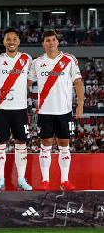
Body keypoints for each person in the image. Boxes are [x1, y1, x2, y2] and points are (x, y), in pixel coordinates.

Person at [28, 29, 84, 191]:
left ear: (57, 42)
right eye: (47, 40)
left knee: (64, 144)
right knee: (45, 144)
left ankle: (64, 180)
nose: (51, 43)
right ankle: (45, 180)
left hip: (64, 111)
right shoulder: (37, 62)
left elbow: (78, 82)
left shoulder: (69, 60)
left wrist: (80, 103)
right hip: (45, 111)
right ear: (43, 43)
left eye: (53, 40)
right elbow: (28, 83)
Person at [0, 28, 33, 191]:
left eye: (14, 39)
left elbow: (31, 79)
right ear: (4, 41)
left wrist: (20, 91)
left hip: (20, 109)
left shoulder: (27, 59)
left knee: (22, 144)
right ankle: (0, 179)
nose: (11, 42)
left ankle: (21, 179)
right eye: (8, 39)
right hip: (1, 109)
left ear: (19, 41)